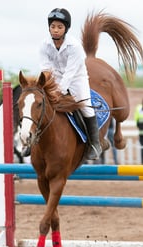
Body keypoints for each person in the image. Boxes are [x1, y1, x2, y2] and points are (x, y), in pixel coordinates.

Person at [37, 8, 101, 160]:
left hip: (77, 79)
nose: (56, 30)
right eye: (53, 27)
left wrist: (58, 92)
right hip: (55, 78)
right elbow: (45, 69)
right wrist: (47, 88)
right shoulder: (44, 44)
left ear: (66, 28)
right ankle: (32, 141)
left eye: (59, 27)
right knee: (40, 104)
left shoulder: (75, 47)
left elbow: (70, 74)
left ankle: (95, 144)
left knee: (85, 106)